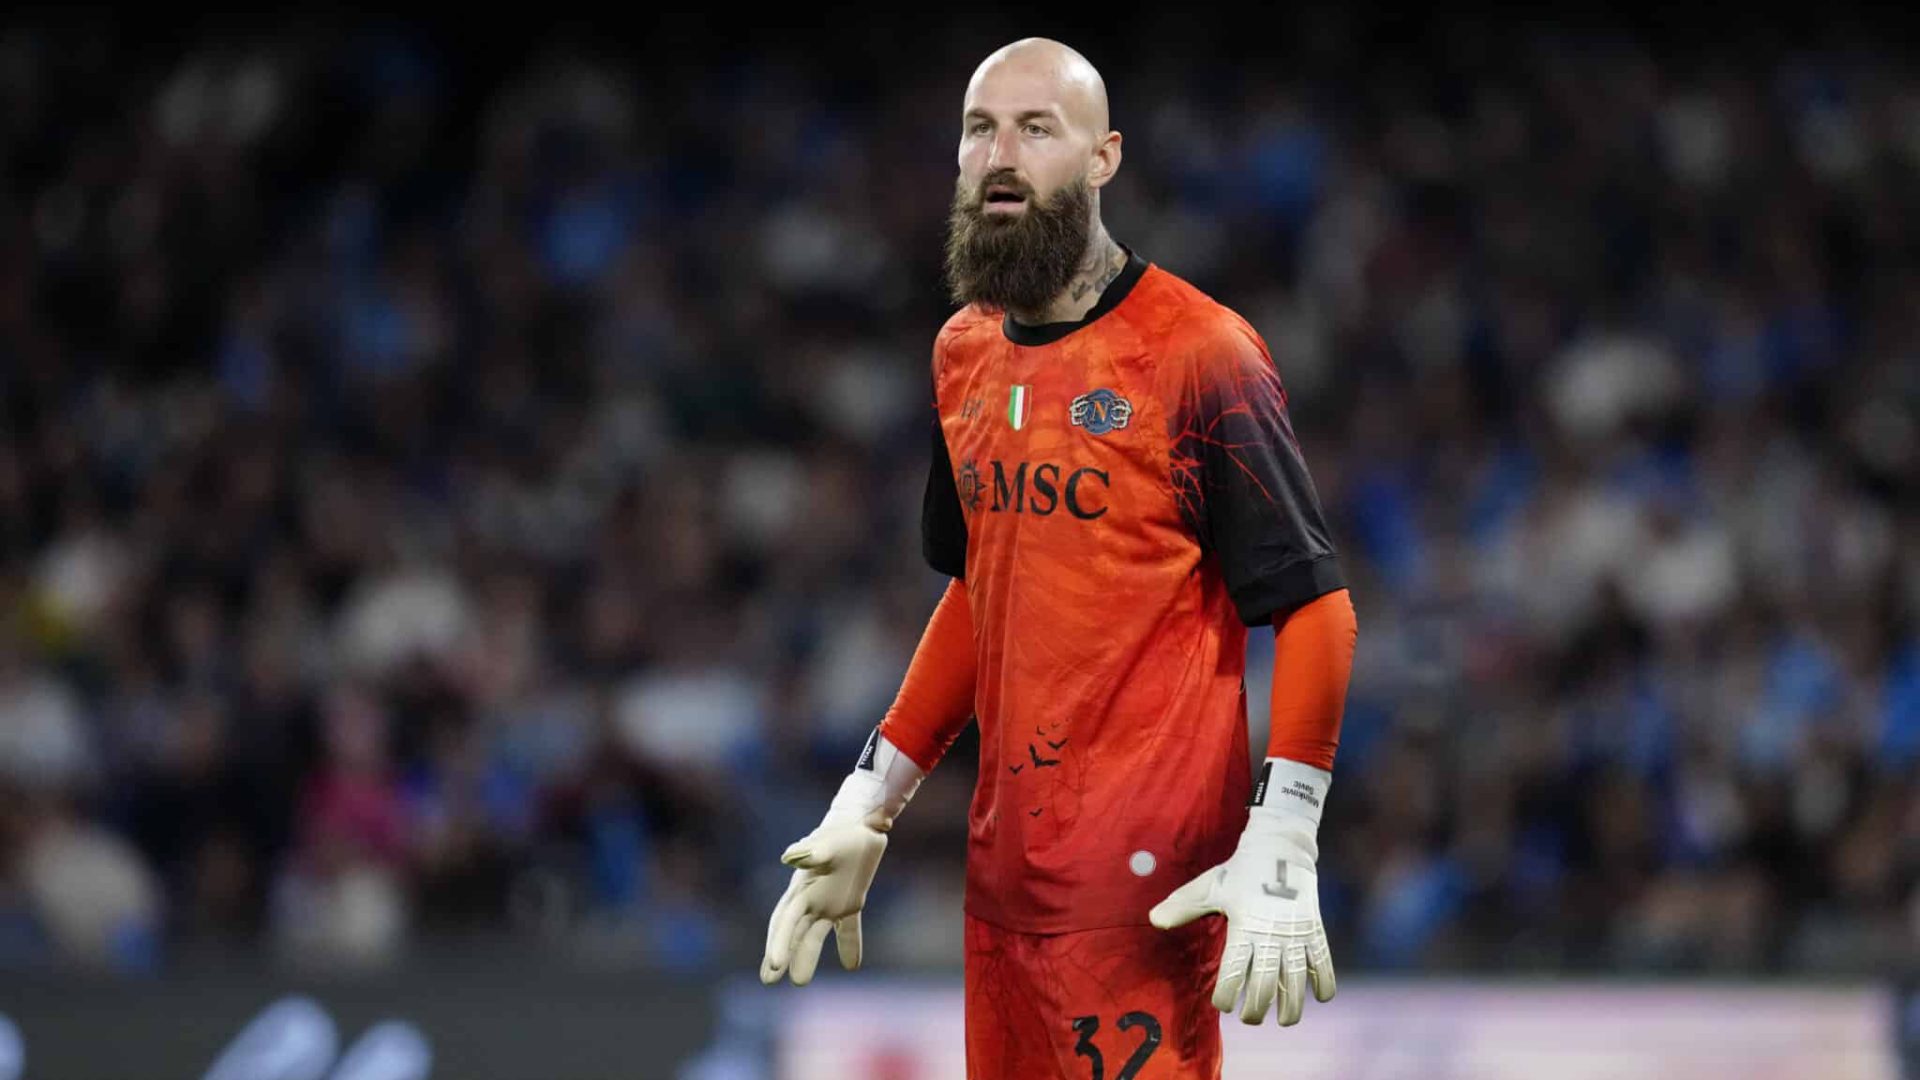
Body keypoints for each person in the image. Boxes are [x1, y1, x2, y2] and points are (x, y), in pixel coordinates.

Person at [760, 37, 1358, 1079]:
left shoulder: (1199, 353)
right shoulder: (963, 353)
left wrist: (1286, 829)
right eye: (980, 129)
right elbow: (979, 594)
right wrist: (869, 798)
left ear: (1103, 159)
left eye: (1038, 129)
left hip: (1140, 903)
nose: (1002, 154)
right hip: (1000, 897)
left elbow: (1316, 608)